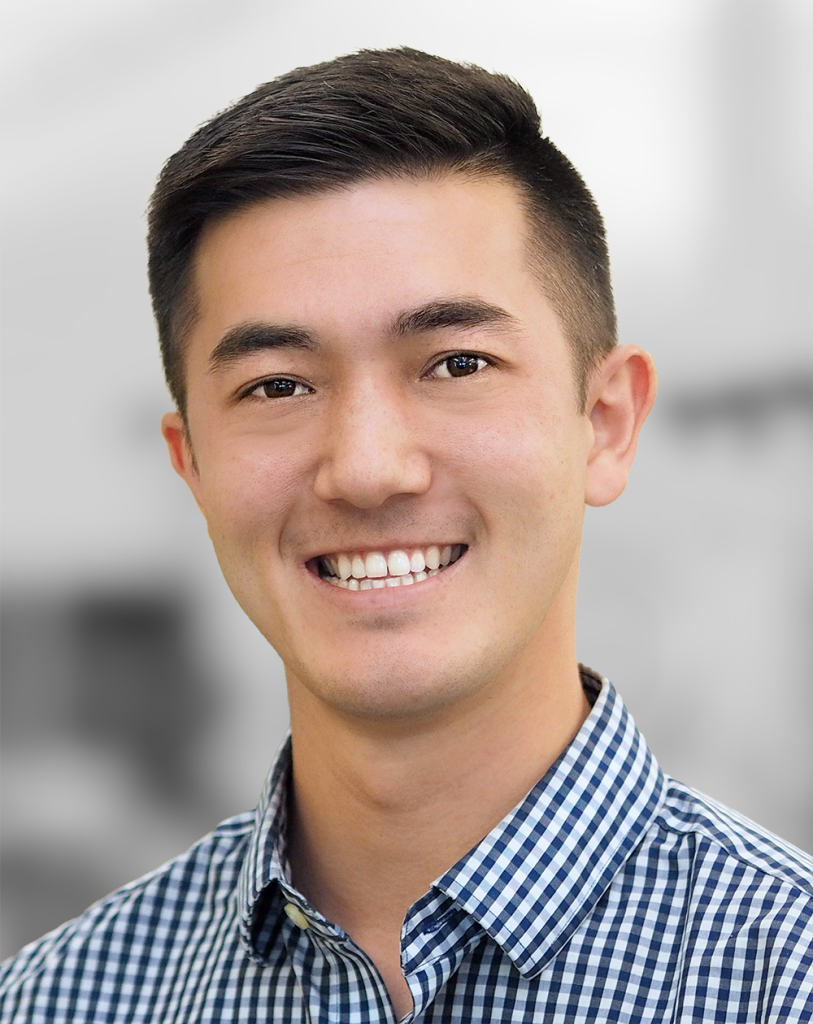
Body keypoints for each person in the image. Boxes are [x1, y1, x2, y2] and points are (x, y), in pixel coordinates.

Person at [1, 46, 811, 1023]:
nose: (369, 468)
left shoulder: (786, 972)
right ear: (194, 468)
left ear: (605, 422)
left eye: (456, 362)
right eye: (277, 386)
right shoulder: (63, 998)